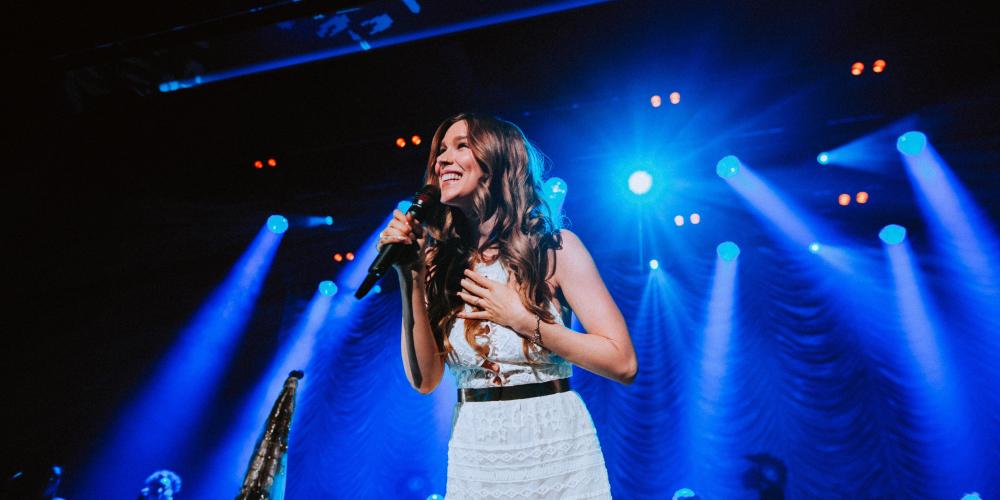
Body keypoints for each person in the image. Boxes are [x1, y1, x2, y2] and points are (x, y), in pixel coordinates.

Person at [377, 112, 637, 498]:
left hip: (556, 448)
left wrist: (523, 321)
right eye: (441, 151)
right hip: (477, 450)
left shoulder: (554, 250)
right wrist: (410, 275)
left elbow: (622, 363)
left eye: (461, 146)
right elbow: (424, 380)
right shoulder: (439, 264)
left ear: (498, 160)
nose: (442, 159)